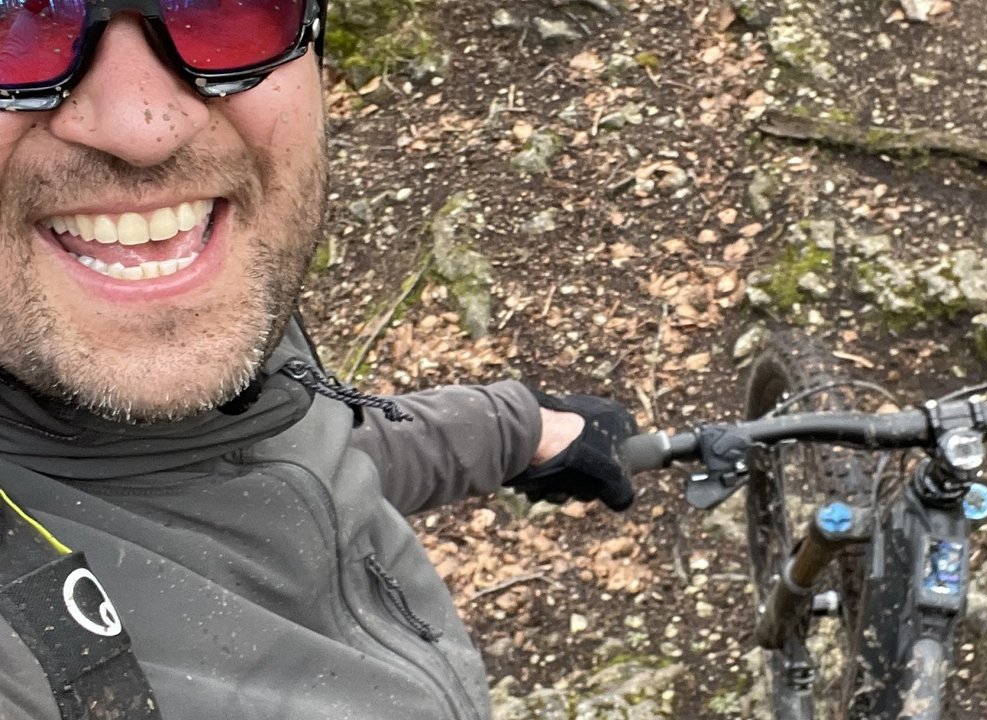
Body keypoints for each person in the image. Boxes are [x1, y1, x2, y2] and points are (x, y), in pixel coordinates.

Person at [0, 1, 637, 718]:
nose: (145, 127)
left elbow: (254, 467)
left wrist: (514, 430)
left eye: (217, 4)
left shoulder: (202, 335)